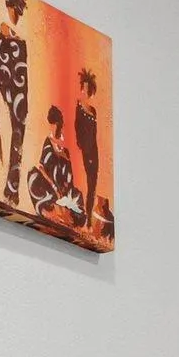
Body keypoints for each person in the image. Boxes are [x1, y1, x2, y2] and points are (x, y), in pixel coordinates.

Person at [0, 0, 31, 207]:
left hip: (21, 89)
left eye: (17, 10)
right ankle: (10, 187)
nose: (15, 13)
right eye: (13, 8)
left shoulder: (21, 34)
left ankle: (13, 186)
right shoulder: (4, 31)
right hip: (9, 86)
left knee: (18, 130)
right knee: (13, 129)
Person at [28, 104, 85, 227]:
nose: (56, 127)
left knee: (77, 201)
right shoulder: (48, 142)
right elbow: (42, 167)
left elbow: (69, 172)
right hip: (50, 186)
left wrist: (64, 187)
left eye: (58, 123)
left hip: (64, 187)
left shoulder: (64, 146)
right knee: (32, 176)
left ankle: (66, 215)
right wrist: (53, 185)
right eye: (53, 124)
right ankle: (53, 214)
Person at [72, 68, 102, 233]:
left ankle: (89, 221)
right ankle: (85, 219)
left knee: (92, 185)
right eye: (83, 87)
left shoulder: (93, 111)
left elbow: (94, 135)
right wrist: (81, 144)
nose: (84, 90)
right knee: (87, 183)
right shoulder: (79, 106)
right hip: (86, 150)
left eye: (87, 88)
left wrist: (89, 148)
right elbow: (77, 126)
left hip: (94, 151)